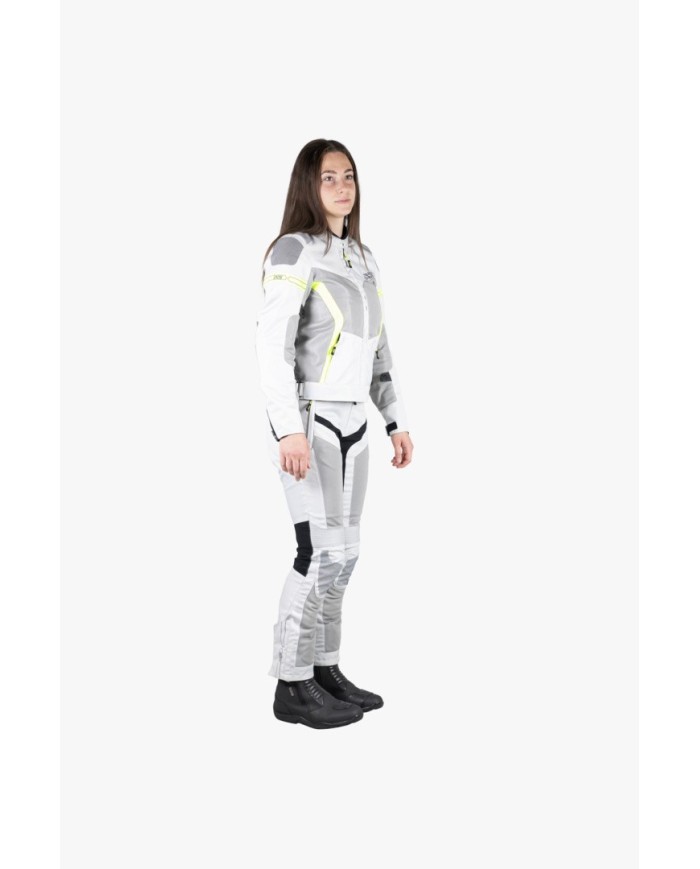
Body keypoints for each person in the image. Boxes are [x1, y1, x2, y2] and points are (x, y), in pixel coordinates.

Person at [255, 139, 414, 729]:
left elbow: (379, 348)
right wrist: (288, 431)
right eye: (329, 177)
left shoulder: (363, 258)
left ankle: (323, 670)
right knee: (316, 553)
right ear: (309, 185)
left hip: (356, 423)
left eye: (349, 176)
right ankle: (291, 683)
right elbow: (271, 346)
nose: (343, 187)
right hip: (311, 420)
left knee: (344, 556)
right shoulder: (294, 251)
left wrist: (395, 419)